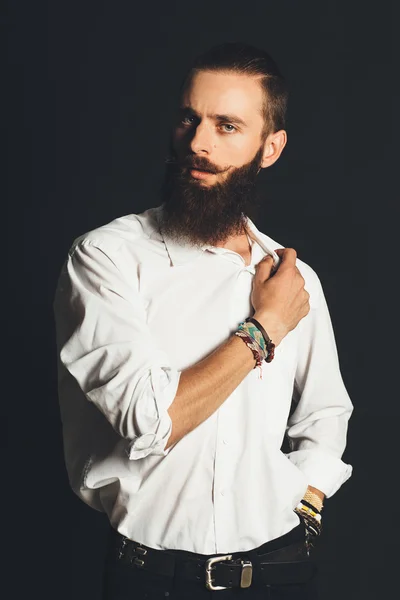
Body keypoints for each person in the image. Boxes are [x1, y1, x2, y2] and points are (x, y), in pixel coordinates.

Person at [53, 41, 354, 600]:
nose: (198, 143)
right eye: (189, 119)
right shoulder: (106, 258)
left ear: (271, 147)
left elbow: (326, 413)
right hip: (153, 579)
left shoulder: (292, 278)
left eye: (227, 126)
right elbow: (150, 421)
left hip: (281, 573)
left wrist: (306, 503)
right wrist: (264, 329)